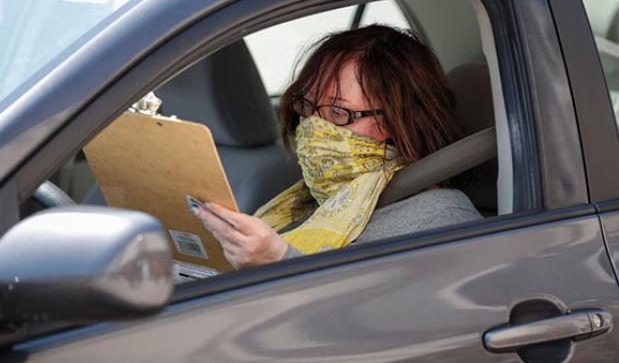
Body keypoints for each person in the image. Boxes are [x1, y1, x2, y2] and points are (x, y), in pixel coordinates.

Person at [194, 24, 482, 269]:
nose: (311, 126)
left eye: (338, 113)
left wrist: (279, 261)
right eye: (306, 106)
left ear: (401, 120)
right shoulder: (308, 203)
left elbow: (391, 323)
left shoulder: (442, 218)